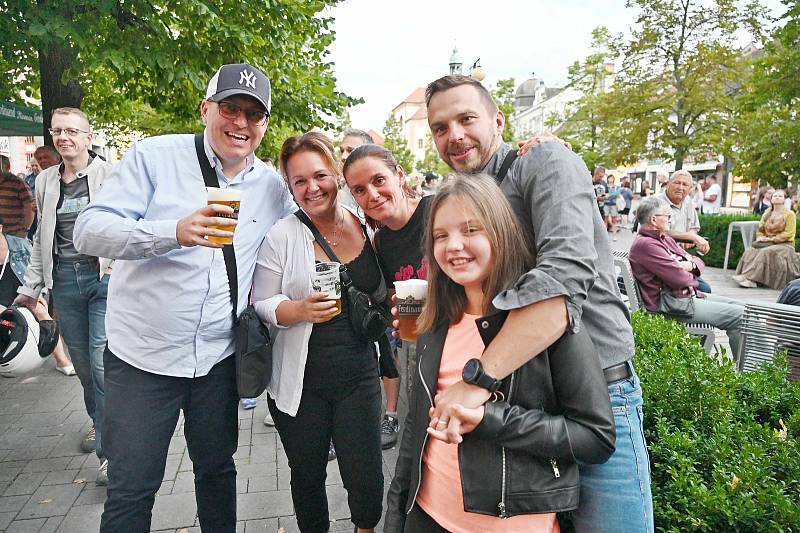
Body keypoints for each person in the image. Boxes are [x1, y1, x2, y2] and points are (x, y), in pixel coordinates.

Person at [423, 74, 652, 532]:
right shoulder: (477, 197)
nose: (455, 135)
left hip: (598, 392)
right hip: (527, 400)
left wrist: (478, 380)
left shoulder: (545, 159)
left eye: (466, 119)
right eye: (440, 127)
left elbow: (562, 282)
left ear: (498, 120)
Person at [74, 62, 295, 532]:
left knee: (217, 471)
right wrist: (172, 232)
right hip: (142, 362)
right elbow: (89, 231)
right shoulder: (155, 156)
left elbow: (306, 232)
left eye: (253, 115)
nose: (240, 123)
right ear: (206, 108)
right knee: (133, 487)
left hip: (217, 361)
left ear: (265, 125)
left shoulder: (270, 186)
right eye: (230, 108)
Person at [384, 173, 614, 532]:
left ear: (500, 231)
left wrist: (492, 420)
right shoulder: (436, 319)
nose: (454, 246)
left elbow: (595, 437)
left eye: (471, 230)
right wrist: (397, 514)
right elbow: (417, 426)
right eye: (441, 236)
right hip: (427, 514)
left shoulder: (543, 321)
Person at [252, 132, 383, 533]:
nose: (312, 188)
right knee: (307, 474)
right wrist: (298, 310)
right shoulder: (282, 235)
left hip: (359, 374)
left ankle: (365, 528)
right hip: (301, 380)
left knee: (364, 470)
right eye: (299, 181)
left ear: (337, 176)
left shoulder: (367, 222)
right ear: (289, 186)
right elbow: (262, 302)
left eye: (320, 176)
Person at [14, 107, 113, 485]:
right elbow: (42, 238)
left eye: (73, 131)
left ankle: (111, 455)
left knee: (102, 365)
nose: (64, 137)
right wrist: (30, 288)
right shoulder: (45, 181)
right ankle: (100, 425)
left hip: (102, 278)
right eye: (58, 131)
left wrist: (118, 269)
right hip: (65, 283)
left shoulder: (110, 176)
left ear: (89, 137)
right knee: (86, 372)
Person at [629, 197, 744, 354]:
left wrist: (689, 266)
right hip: (672, 306)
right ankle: (750, 373)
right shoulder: (646, 245)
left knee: (744, 308)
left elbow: (698, 262)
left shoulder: (663, 239)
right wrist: (688, 270)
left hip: (684, 298)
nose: (671, 219)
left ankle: (760, 366)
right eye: (668, 216)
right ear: (654, 220)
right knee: (741, 317)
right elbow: (680, 279)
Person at [0, 224, 74, 375]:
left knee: (41, 311)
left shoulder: (18, 244)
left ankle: (62, 361)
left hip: (23, 289)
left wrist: (37, 292)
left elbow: (38, 267)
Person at [655, 169, 712, 293]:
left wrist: (691, 236)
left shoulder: (688, 202)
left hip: (680, 257)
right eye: (677, 183)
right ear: (669, 183)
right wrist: (691, 237)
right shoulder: (655, 202)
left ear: (690, 188)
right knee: (703, 289)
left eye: (685, 185)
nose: (681, 187)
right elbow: (658, 232)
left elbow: (694, 227)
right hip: (661, 258)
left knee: (704, 288)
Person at [733, 189, 800, 289]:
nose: (777, 197)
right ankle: (744, 275)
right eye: (775, 196)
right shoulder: (767, 213)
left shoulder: (790, 214)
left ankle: (752, 280)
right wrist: (761, 238)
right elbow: (760, 229)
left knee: (765, 252)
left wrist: (771, 239)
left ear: (784, 199)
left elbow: (789, 233)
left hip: (785, 244)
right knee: (750, 251)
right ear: (771, 199)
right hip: (767, 242)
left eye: (780, 196)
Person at [0, 171, 35, 238]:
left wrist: (24, 231)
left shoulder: (18, 183)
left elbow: (30, 207)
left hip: (14, 235)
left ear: (7, 167)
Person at [602, 174, 621, 241]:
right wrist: (610, 196)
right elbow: (603, 194)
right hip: (606, 204)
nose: (610, 180)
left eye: (612, 178)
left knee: (614, 221)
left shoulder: (616, 187)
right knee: (605, 220)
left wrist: (609, 196)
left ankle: (614, 236)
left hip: (613, 204)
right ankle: (605, 237)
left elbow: (617, 194)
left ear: (613, 179)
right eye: (609, 178)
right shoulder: (605, 186)